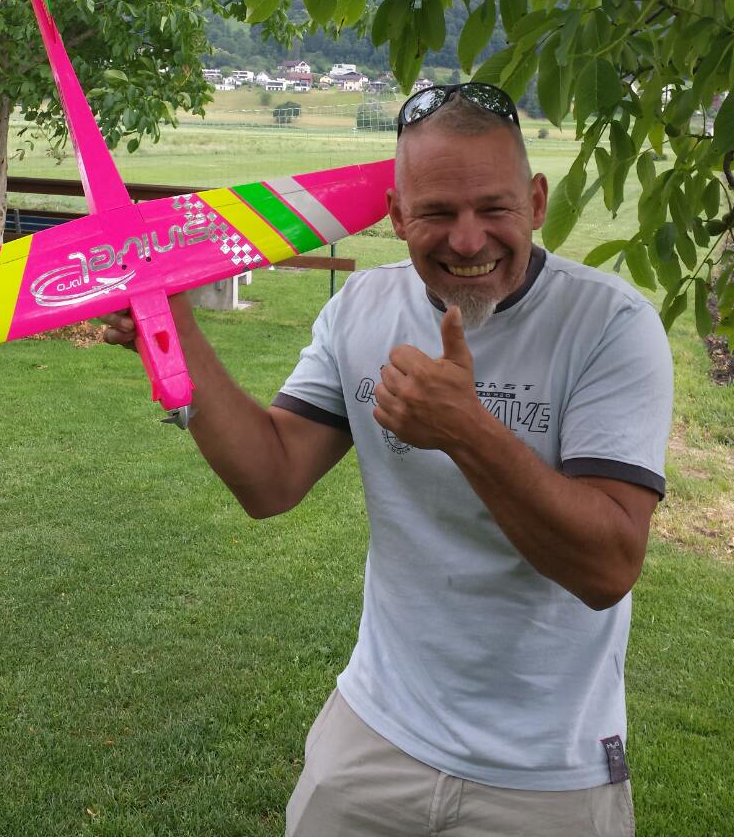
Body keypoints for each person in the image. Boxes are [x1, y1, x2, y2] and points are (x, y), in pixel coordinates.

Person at [104, 82, 673, 837]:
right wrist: (174, 328)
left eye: (494, 209)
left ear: (536, 202)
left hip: (547, 768)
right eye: (437, 212)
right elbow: (271, 479)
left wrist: (467, 431)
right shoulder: (361, 309)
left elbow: (607, 569)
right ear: (397, 215)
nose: (467, 241)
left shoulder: (609, 325)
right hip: (376, 728)